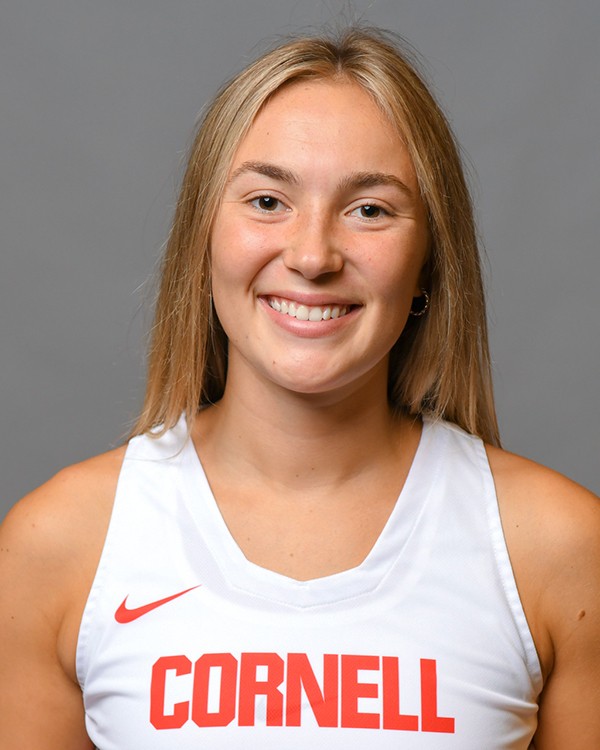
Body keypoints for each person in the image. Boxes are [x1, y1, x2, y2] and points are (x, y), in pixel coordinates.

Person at [0, 26, 598, 749]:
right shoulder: (60, 544)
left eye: (369, 209)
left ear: (428, 265)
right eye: (266, 201)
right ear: (203, 238)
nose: (313, 256)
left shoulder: (560, 548)